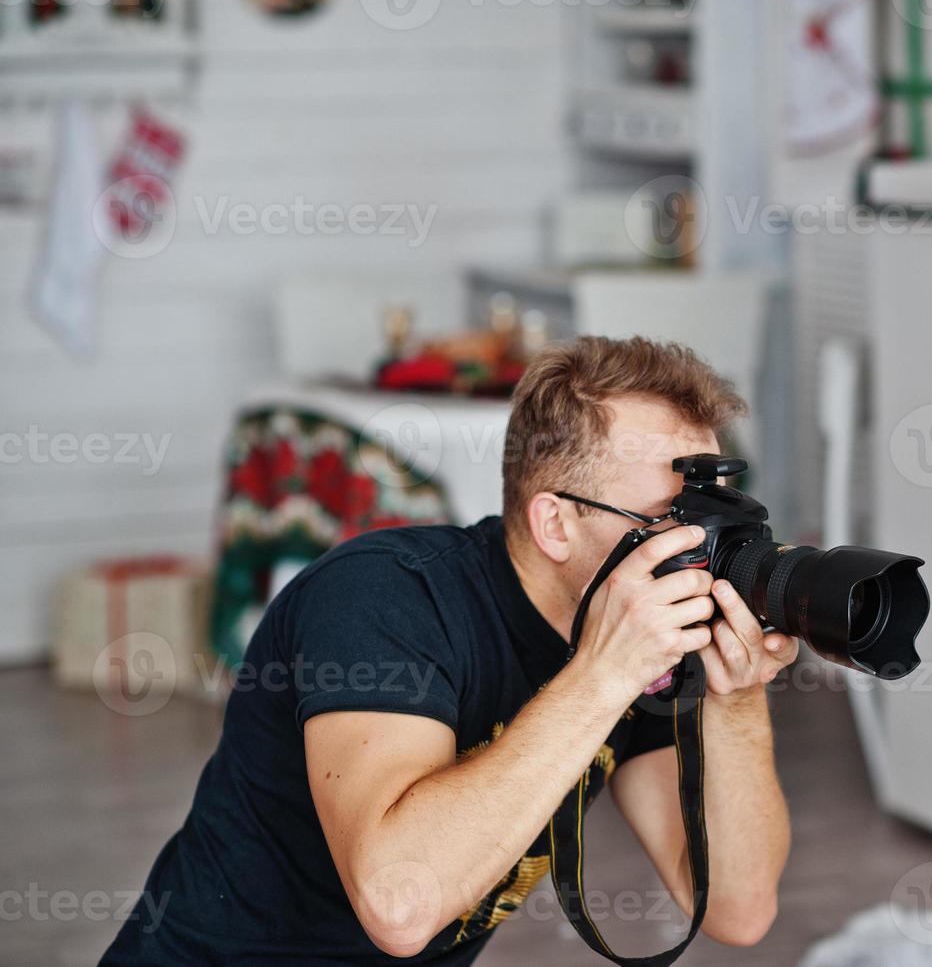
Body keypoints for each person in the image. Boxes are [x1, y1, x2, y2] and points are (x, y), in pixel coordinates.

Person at [104, 336, 796, 964]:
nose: (702, 553)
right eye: (673, 521)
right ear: (554, 523)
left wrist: (736, 700)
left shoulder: (642, 637)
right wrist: (600, 675)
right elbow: (399, 908)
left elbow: (737, 909)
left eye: (717, 519)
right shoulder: (381, 598)